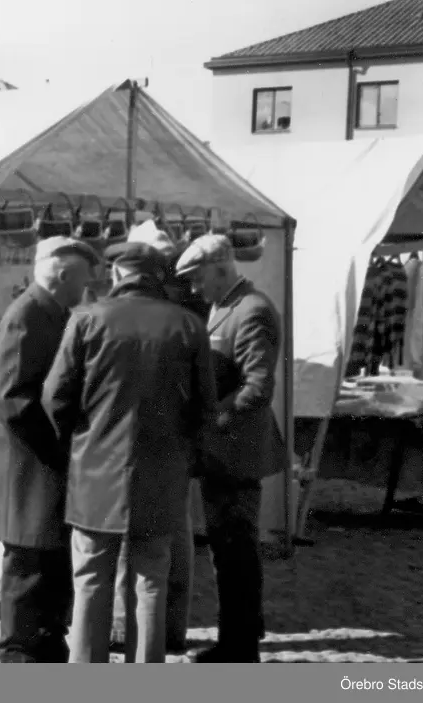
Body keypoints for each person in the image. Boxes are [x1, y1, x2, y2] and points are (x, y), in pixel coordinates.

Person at [42, 242, 217, 663]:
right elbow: (205, 408)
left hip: (95, 472)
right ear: (157, 277)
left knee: (90, 578)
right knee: (151, 578)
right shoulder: (189, 325)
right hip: (162, 471)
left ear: (118, 274)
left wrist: (77, 445)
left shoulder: (86, 319)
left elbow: (55, 398)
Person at [0, 235, 100, 663]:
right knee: (26, 569)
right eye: (84, 279)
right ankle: (19, 654)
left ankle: (44, 642)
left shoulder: (53, 311)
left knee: (45, 564)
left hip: (40, 465)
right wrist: (60, 447)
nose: (88, 288)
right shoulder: (27, 314)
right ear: (64, 275)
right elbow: (12, 398)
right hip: (27, 466)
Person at [175, 234, 287, 663]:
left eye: (196, 278)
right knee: (228, 549)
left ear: (221, 268)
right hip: (224, 453)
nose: (192, 289)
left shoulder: (252, 311)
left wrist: (212, 422)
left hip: (236, 452)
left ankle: (239, 648)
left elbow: (257, 388)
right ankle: (239, 634)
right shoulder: (225, 307)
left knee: (236, 550)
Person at [109, 231, 205, 655]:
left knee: (132, 550)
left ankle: (120, 632)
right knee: (167, 545)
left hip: (126, 449)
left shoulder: (108, 313)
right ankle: (168, 632)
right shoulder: (188, 309)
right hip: (171, 449)